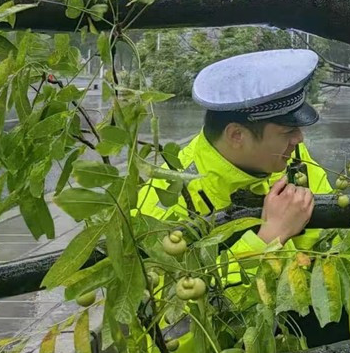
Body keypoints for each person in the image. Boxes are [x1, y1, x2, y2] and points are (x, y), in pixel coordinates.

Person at [137, 48, 331, 256]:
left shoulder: (291, 157)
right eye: (288, 131)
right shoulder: (167, 201)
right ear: (236, 135)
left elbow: (331, 242)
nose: (299, 138)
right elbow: (169, 286)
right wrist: (269, 238)